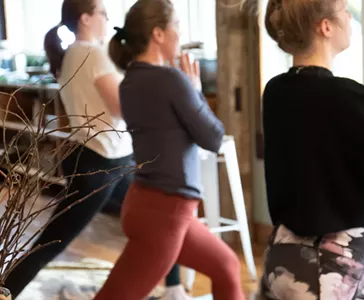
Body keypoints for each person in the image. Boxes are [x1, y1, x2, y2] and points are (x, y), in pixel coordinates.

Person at [3, 0, 188, 299]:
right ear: (86, 19)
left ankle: (173, 288)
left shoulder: (71, 55)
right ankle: (5, 291)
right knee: (53, 241)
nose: (107, 19)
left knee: (160, 220)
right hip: (101, 163)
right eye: (102, 13)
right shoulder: (92, 54)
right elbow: (123, 108)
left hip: (101, 158)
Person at [92, 0, 246, 299]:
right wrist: (195, 89)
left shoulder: (130, 81)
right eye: (176, 25)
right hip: (165, 212)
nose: (180, 33)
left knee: (226, 265)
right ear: (158, 34)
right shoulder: (171, 79)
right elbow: (213, 138)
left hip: (152, 205)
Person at [257, 0, 364, 299]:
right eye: (345, 10)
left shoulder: (277, 91)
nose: (350, 17)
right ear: (325, 27)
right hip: (323, 274)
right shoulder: (343, 98)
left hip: (283, 259)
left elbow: (328, 147)